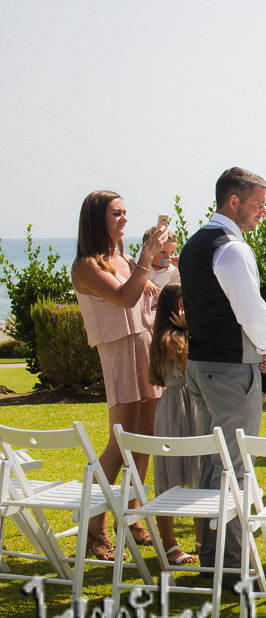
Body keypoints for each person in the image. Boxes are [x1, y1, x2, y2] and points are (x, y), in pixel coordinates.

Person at [178, 167, 266, 586]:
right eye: (258, 205)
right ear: (233, 202)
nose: (262, 214)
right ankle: (234, 565)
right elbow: (249, 309)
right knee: (236, 466)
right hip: (230, 369)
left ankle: (209, 556)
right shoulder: (231, 248)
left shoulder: (194, 244)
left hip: (200, 367)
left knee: (212, 460)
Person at [70, 190, 168, 561]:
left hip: (144, 346)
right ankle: (95, 527)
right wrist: (145, 261)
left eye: (126, 212)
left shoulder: (122, 258)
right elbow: (125, 299)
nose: (124, 219)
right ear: (97, 219)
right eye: (116, 213)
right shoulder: (86, 266)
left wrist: (149, 280)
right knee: (120, 442)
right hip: (118, 350)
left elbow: (139, 296)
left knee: (144, 439)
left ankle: (133, 514)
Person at [146, 281, 201, 565]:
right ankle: (170, 544)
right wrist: (191, 328)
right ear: (179, 306)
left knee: (197, 472)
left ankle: (201, 539)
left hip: (184, 402)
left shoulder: (168, 336)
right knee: (171, 476)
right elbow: (195, 361)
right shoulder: (171, 340)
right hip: (181, 404)